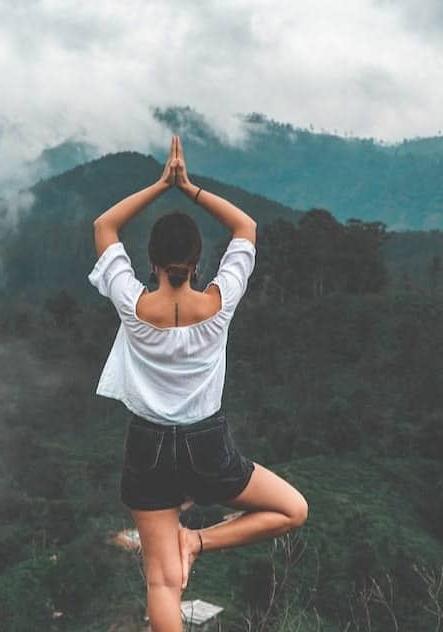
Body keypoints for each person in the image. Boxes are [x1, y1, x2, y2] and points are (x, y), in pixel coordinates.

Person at [88, 135, 309, 632]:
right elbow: (246, 227)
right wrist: (188, 188)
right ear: (196, 260)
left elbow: (104, 225)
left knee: (162, 586)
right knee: (293, 510)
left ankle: (190, 543)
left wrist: (158, 185)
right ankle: (201, 540)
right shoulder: (219, 302)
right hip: (207, 446)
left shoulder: (132, 303)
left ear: (150, 259)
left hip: (146, 447)